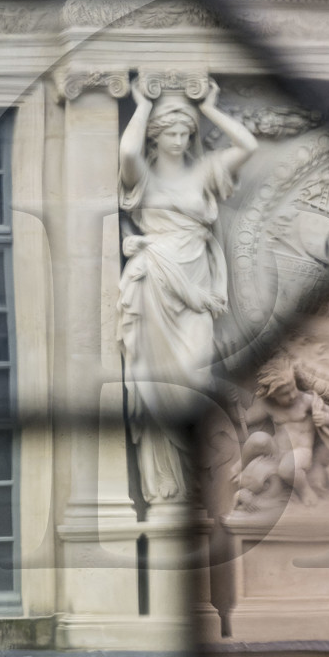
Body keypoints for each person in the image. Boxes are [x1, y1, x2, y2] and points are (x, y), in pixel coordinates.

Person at [116, 77, 257, 504]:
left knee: (195, 374)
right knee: (155, 381)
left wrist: (210, 108)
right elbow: (126, 152)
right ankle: (167, 490)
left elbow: (248, 147)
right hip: (156, 281)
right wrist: (141, 106)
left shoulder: (205, 170)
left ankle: (197, 478)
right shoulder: (141, 176)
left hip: (197, 281)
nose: (179, 140)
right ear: (155, 136)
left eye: (185, 132)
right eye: (170, 132)